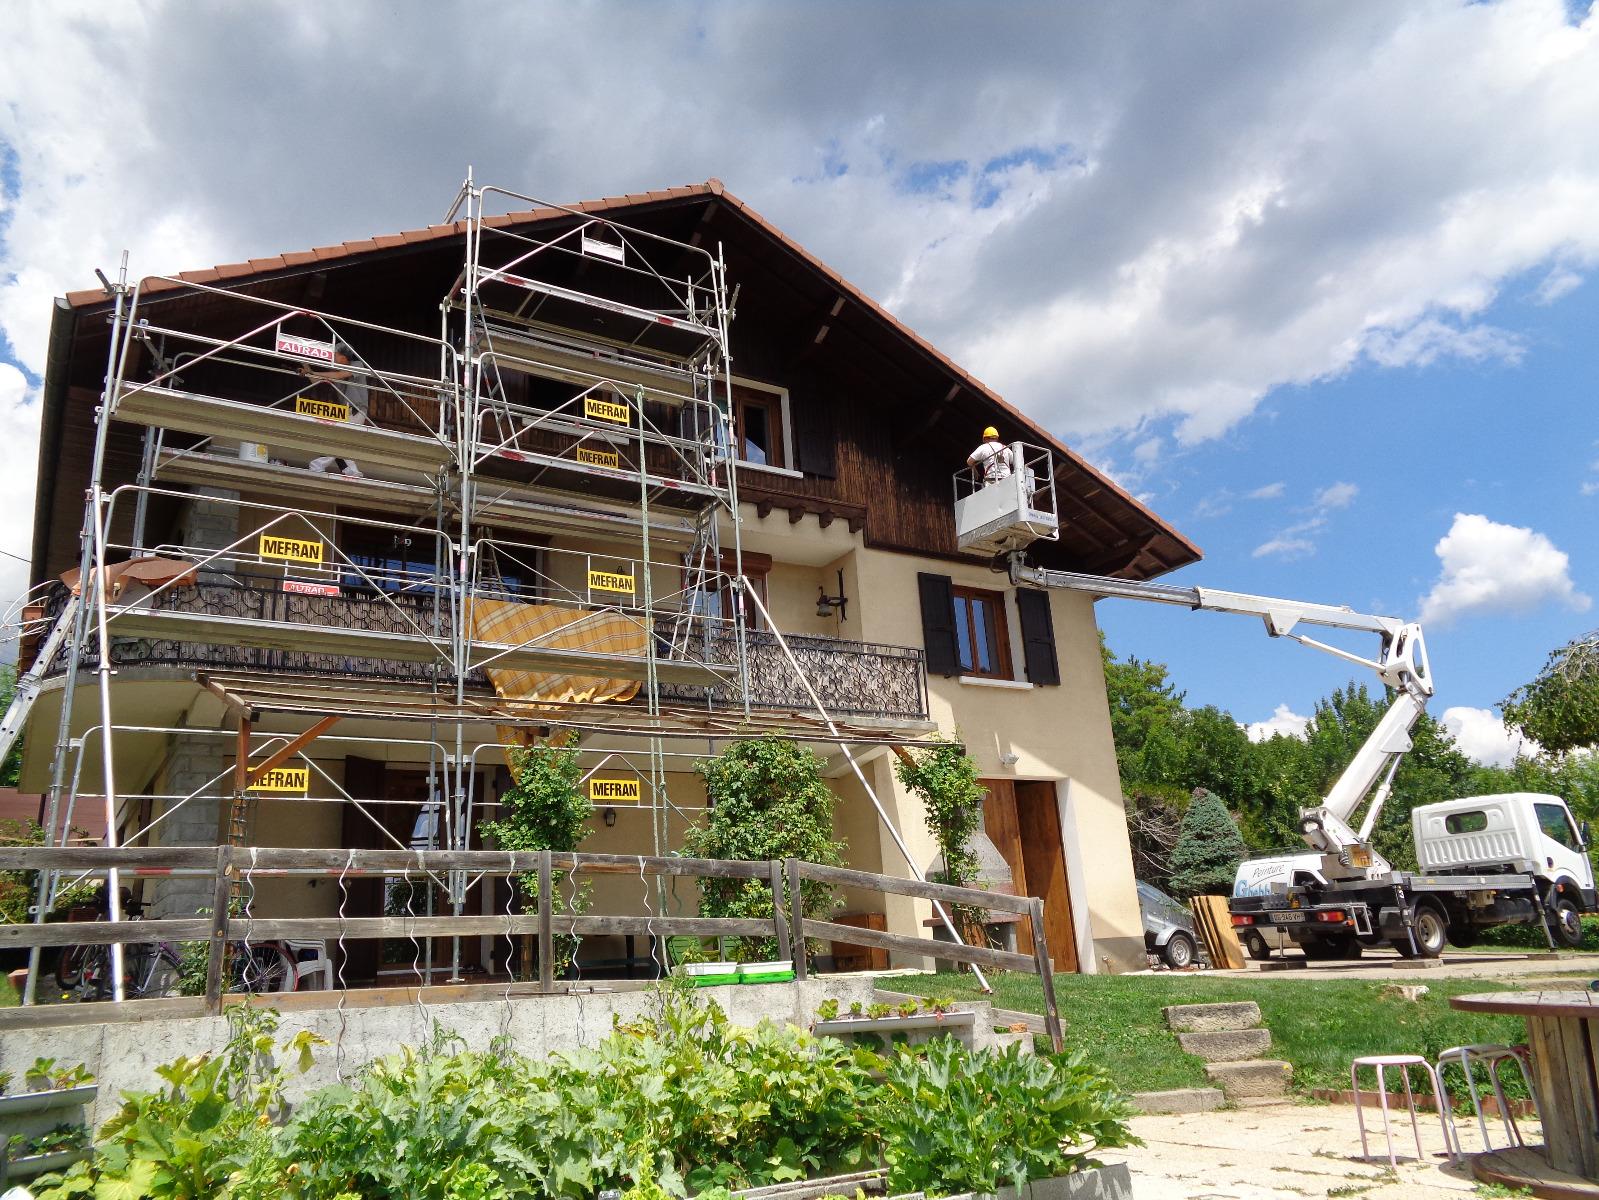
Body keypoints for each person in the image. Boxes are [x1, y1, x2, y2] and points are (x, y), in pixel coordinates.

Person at [304, 340, 371, 478]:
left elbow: (340, 375)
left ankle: (317, 465)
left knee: (341, 439)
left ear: (343, 357)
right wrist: (306, 370)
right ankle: (350, 470)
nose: (333, 357)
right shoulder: (336, 370)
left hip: (355, 409)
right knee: (344, 440)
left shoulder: (357, 365)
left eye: (335, 355)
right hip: (344, 411)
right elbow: (315, 381)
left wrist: (314, 371)